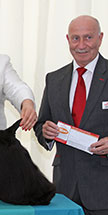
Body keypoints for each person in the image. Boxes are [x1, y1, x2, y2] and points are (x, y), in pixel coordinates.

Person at [34, 15, 108, 215]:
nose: (81, 45)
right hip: (64, 189)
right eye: (76, 38)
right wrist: (46, 132)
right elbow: (41, 124)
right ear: (68, 40)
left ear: (100, 38)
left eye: (88, 37)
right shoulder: (54, 79)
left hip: (103, 190)